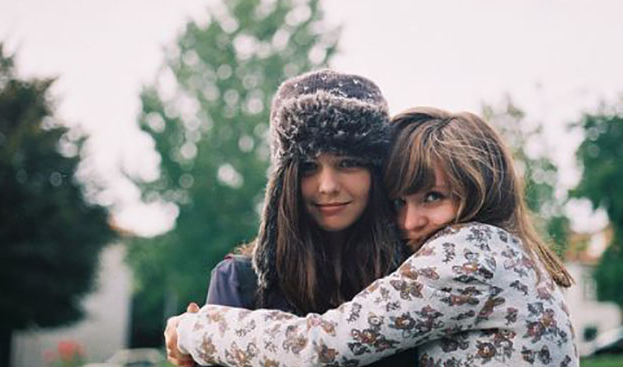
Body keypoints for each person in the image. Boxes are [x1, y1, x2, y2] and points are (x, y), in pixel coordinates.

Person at [166, 106, 578, 367]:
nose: (410, 221)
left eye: (433, 197)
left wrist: (194, 329)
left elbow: (320, 346)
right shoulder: (504, 253)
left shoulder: (464, 257)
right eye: (398, 202)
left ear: (481, 189)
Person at [173, 70, 416, 366]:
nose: (327, 186)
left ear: (376, 173)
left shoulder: (415, 277)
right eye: (308, 167)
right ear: (282, 182)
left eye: (348, 163)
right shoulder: (239, 282)